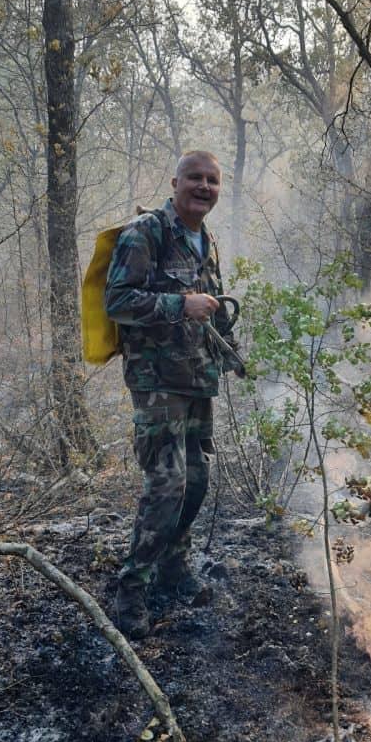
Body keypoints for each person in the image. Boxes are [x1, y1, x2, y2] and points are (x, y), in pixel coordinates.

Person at [104, 150, 241, 638]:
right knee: (167, 487)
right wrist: (179, 304)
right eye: (195, 179)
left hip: (197, 378)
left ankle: (173, 569)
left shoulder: (207, 241)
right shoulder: (145, 233)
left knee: (197, 480)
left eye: (212, 181)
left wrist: (233, 353)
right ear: (175, 182)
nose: (204, 187)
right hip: (156, 381)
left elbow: (216, 302)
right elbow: (118, 301)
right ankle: (131, 591)